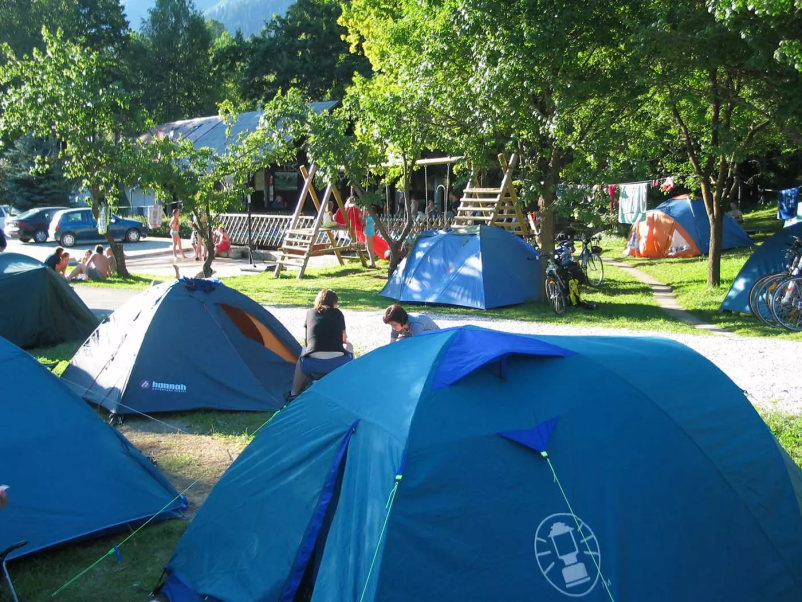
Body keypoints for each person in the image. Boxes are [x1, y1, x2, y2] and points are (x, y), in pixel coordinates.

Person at [289, 289, 354, 398]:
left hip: (312, 364)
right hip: (337, 363)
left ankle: (294, 392)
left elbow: (308, 340)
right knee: (349, 346)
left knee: (304, 349)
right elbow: (343, 339)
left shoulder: (310, 313)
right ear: (334, 302)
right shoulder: (338, 313)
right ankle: (347, 388)